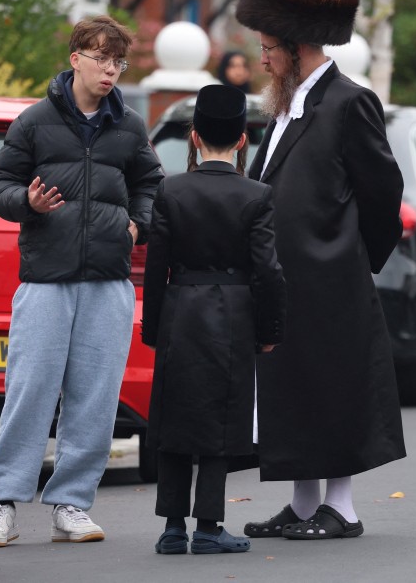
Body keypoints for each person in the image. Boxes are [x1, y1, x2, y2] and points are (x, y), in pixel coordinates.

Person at [0, 15, 164, 548]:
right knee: (29, 390)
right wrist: (27, 203)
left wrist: (136, 225)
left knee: (95, 398)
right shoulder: (34, 121)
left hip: (108, 281)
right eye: (101, 58)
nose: (110, 70)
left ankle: (71, 505)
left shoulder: (129, 126)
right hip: (45, 280)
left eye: (118, 61)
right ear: (75, 58)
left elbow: (151, 184)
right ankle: (2, 505)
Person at [233, 0, 406, 540]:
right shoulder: (288, 102)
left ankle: (342, 509)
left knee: (332, 387)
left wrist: (349, 257)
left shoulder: (351, 102)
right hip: (286, 278)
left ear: (296, 46)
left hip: (331, 278)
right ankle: (305, 504)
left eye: (268, 48)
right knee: (295, 386)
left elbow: (383, 191)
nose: (262, 60)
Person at [141, 84, 286, 556]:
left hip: (180, 312)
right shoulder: (257, 195)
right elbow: (268, 271)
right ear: (242, 139)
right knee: (222, 420)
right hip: (234, 315)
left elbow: (156, 267)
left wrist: (153, 328)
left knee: (175, 416)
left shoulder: (170, 189)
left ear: (195, 137)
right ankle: (208, 526)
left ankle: (172, 528)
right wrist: (269, 330)